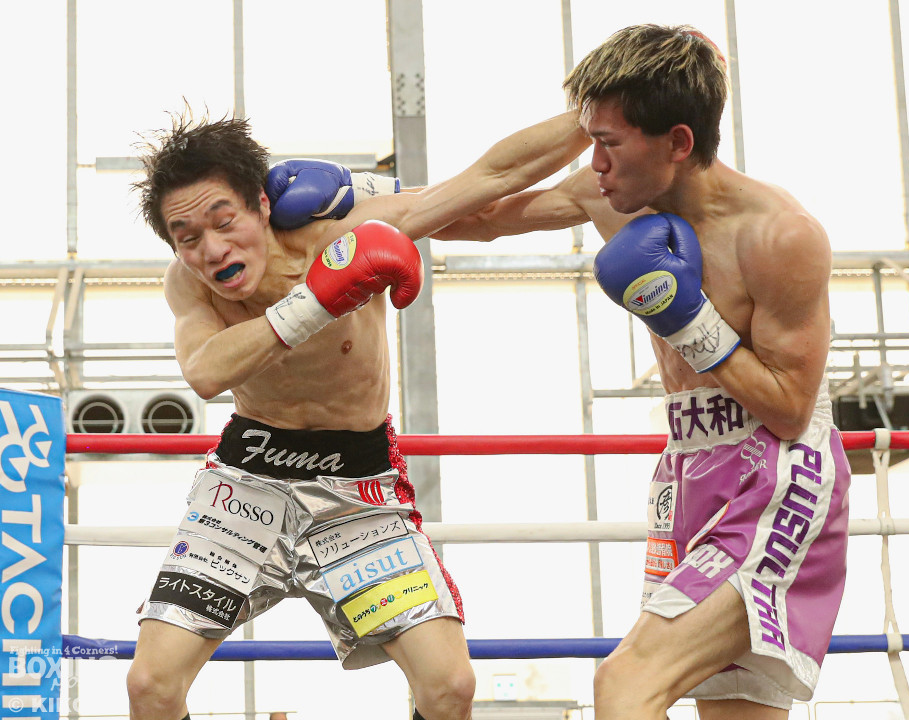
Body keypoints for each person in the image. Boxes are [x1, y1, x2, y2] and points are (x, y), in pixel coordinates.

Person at [267, 22, 852, 720]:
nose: (594, 163)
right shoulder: (610, 196)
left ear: (678, 142)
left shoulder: (779, 235)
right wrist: (359, 193)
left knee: (626, 683)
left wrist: (688, 320)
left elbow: (789, 407)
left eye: (609, 144)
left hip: (779, 476)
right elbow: (485, 211)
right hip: (691, 467)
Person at [125, 108, 588, 720]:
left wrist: (598, 115)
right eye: (187, 238)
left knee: (449, 686)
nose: (212, 249)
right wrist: (315, 299)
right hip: (246, 484)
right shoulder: (188, 285)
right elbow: (206, 371)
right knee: (151, 686)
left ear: (261, 205)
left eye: (224, 221)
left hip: (359, 486)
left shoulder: (344, 233)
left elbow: (486, 187)